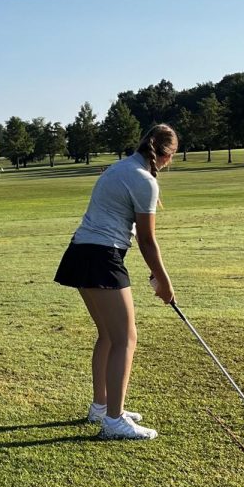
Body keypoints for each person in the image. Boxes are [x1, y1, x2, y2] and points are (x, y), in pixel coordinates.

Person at [53, 124, 179, 440]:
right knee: (126, 338)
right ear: (166, 155)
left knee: (109, 335)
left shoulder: (121, 167)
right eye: (172, 158)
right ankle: (114, 420)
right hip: (101, 257)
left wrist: (156, 275)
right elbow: (148, 241)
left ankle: (102, 405)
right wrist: (164, 282)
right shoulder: (144, 180)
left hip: (81, 252)